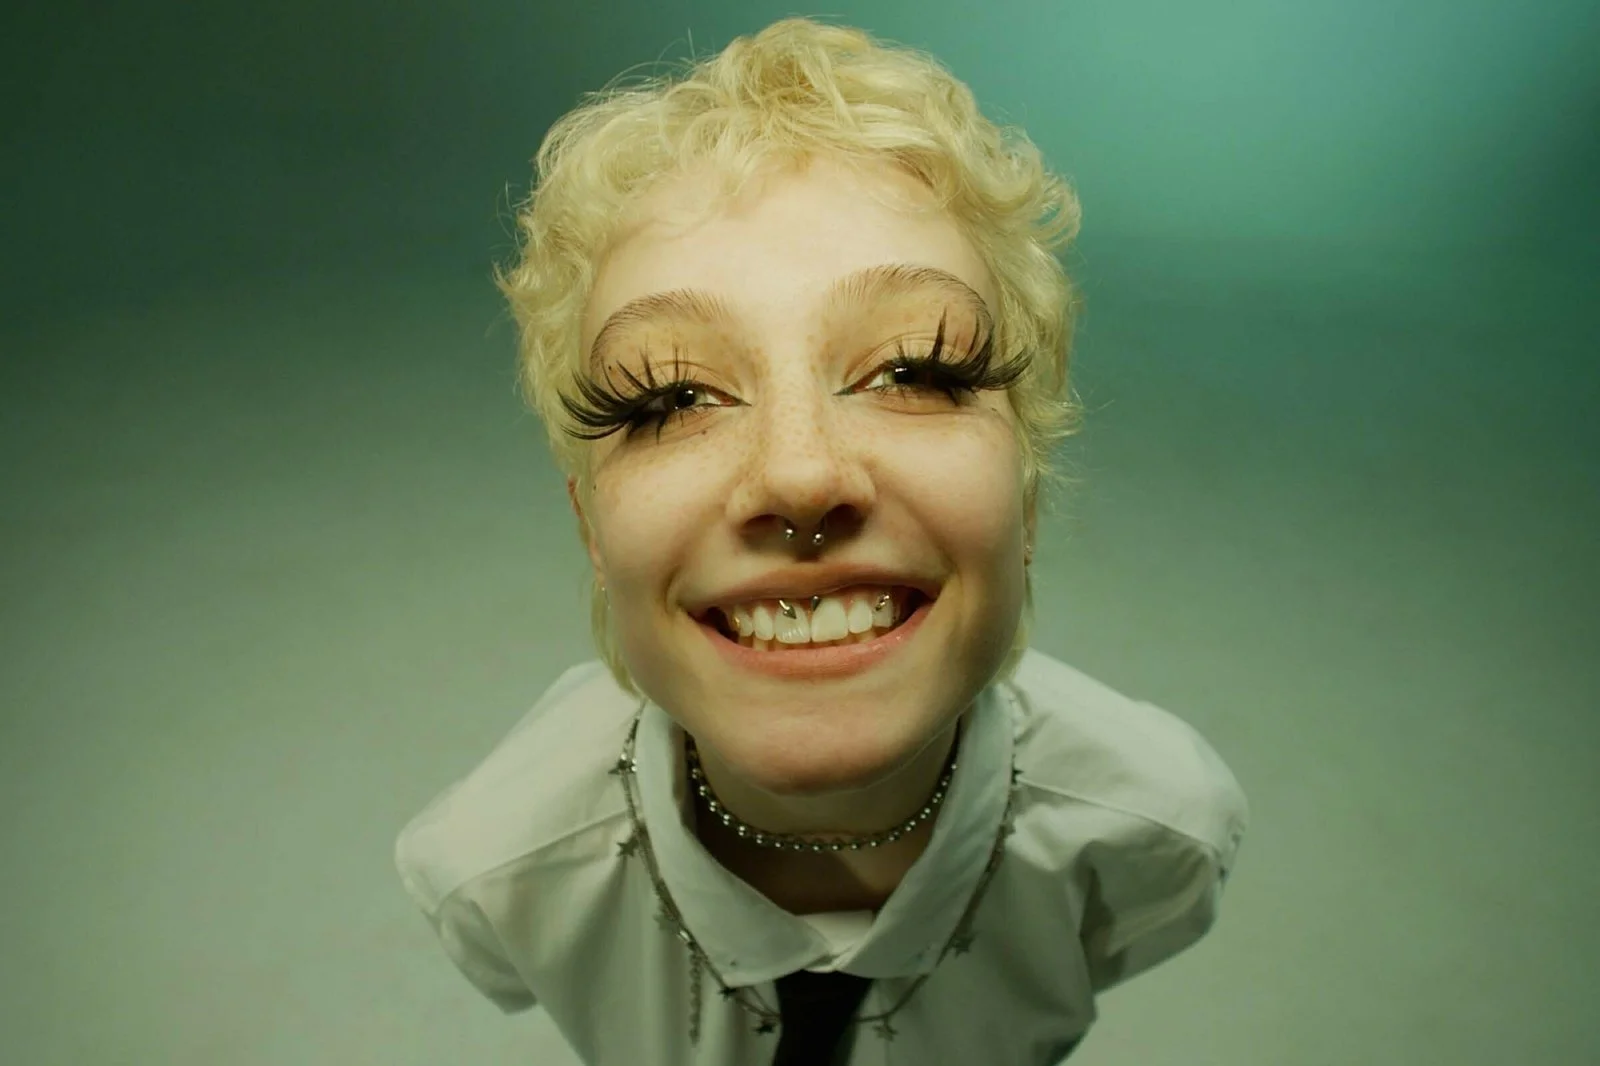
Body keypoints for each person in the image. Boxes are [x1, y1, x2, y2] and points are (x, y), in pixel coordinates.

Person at [394, 16, 1249, 1066]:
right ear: (592, 528)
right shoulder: (497, 862)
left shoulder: (1152, 829)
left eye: (917, 369)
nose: (800, 474)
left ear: (1024, 497)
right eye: (669, 396)